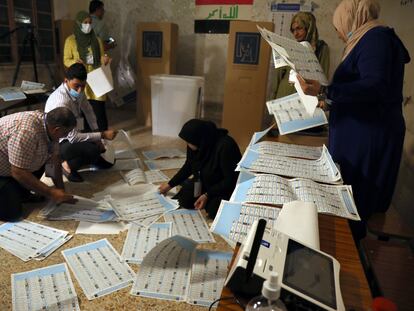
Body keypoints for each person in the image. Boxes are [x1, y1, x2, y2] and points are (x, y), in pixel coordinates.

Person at [297, 0, 410, 241]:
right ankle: (351, 246)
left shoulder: (375, 39)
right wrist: (327, 102)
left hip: (367, 141)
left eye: (338, 26)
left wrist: (326, 91)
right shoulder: (367, 39)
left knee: (356, 204)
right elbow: (362, 92)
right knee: (350, 203)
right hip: (362, 136)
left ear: (351, 18)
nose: (339, 33)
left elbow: (374, 87)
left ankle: (354, 258)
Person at [0, 108, 77, 221]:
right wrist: (51, 192)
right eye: (65, 133)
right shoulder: (27, 132)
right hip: (5, 170)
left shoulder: (49, 127)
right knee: (13, 214)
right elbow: (18, 172)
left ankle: (19, 191)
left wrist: (60, 189)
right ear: (56, 129)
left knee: (39, 162)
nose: (66, 136)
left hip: (11, 165)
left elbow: (53, 161)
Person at [45, 63, 118, 182]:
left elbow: (88, 111)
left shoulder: (79, 90)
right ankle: (66, 165)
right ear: (66, 81)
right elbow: (73, 137)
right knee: (92, 150)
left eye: (83, 86)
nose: (79, 90)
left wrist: (97, 134)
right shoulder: (61, 101)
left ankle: (91, 158)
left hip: (71, 131)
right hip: (58, 141)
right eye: (76, 86)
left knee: (100, 149)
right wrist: (102, 135)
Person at [158, 119, 242, 219]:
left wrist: (207, 195)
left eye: (189, 142)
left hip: (223, 187)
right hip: (203, 180)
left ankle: (211, 200)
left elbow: (231, 179)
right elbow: (189, 165)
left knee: (214, 210)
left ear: (200, 139)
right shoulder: (198, 143)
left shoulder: (226, 146)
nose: (188, 145)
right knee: (185, 200)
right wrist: (170, 184)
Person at [64, 10, 111, 131]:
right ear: (78, 23)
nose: (88, 25)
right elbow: (66, 60)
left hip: (97, 79)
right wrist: (75, 62)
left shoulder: (97, 40)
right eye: (85, 22)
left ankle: (102, 137)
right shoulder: (70, 41)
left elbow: (100, 57)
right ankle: (87, 137)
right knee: (82, 111)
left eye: (90, 22)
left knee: (99, 110)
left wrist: (104, 59)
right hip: (80, 80)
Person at [273, 12, 330, 99]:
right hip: (284, 95)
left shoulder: (321, 48)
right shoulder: (290, 47)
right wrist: (272, 98)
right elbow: (278, 77)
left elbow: (323, 79)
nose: (295, 34)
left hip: (305, 97)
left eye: (299, 28)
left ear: (308, 27)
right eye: (293, 30)